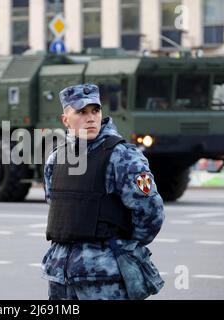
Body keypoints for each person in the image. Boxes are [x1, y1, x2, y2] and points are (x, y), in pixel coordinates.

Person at [41, 83, 165, 300]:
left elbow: (151, 212)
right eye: (81, 112)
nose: (90, 118)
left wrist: (121, 247)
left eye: (95, 110)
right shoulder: (56, 159)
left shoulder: (122, 156)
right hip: (60, 276)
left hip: (105, 278)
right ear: (65, 120)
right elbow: (55, 204)